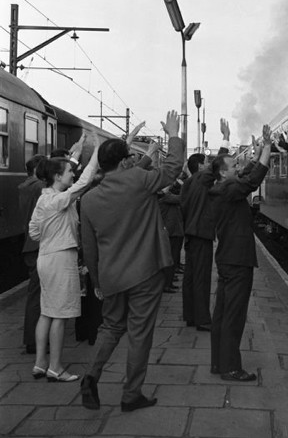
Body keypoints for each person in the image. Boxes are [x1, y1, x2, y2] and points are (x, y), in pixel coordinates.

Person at [79, 111, 184, 412]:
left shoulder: (88, 200)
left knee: (111, 328)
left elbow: (89, 247)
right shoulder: (139, 180)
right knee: (139, 333)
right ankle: (131, 394)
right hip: (145, 273)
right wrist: (174, 134)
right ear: (126, 160)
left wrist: (98, 283)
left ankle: (91, 376)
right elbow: (174, 169)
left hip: (111, 277)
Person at [28, 133, 99, 382]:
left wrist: (75, 154)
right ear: (58, 177)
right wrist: (97, 151)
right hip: (61, 259)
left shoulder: (44, 199)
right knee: (59, 314)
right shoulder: (60, 200)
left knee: (46, 311)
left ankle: (40, 363)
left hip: (45, 257)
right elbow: (85, 181)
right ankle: (56, 367)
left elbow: (34, 233)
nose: (73, 175)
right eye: (69, 172)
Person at [209, 124, 272, 382]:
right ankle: (231, 368)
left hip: (227, 258)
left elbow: (245, 175)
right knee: (234, 316)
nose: (237, 167)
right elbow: (253, 180)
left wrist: (256, 156)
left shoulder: (222, 188)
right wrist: (267, 149)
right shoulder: (228, 190)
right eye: (232, 166)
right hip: (237, 260)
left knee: (222, 314)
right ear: (223, 173)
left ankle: (219, 363)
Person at [180, 119, 230, 331]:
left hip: (191, 233)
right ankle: (202, 319)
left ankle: (190, 315)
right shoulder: (201, 179)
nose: (209, 165)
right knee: (201, 277)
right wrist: (225, 138)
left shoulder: (189, 183)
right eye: (206, 163)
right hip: (201, 234)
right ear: (200, 167)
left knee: (191, 277)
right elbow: (218, 165)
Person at [18, 154, 46, 354]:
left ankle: (34, 339)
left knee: (36, 295)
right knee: (37, 297)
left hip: (30, 245)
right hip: (38, 247)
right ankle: (34, 341)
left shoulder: (25, 187)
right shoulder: (38, 188)